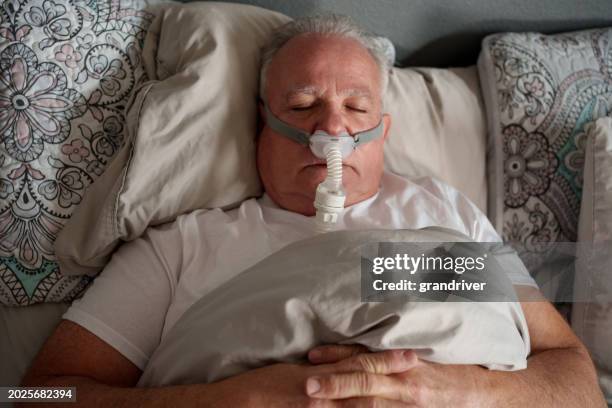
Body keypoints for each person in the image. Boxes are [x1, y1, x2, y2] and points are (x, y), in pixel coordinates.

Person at [22, 15, 604, 407]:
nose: (332, 129)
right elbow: (33, 395)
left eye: (356, 106)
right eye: (302, 106)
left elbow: (579, 384)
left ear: (383, 131)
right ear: (260, 125)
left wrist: (449, 391)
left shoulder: (446, 217)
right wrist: (233, 399)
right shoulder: (182, 246)